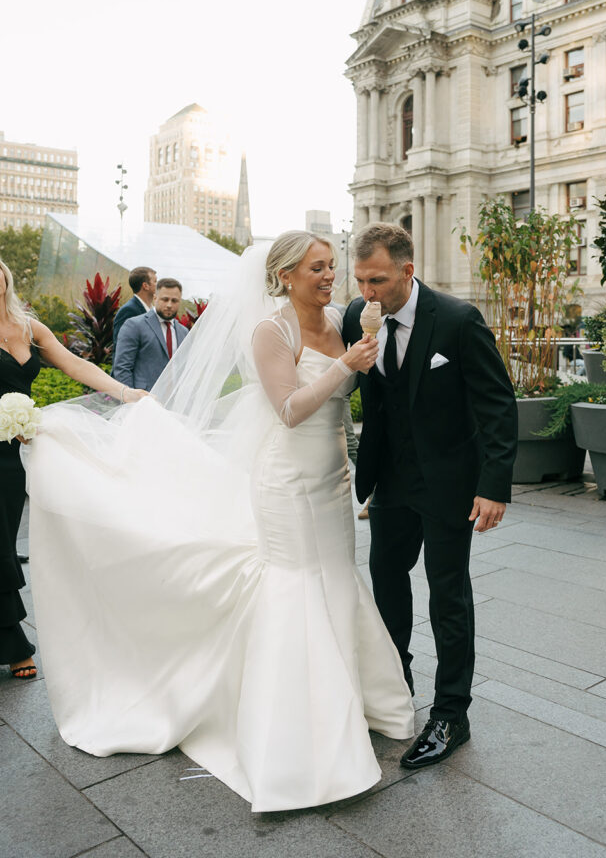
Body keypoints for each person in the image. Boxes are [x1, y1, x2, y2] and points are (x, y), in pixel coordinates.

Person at [22, 233, 414, 812]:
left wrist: (365, 346)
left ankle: (348, 697)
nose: (331, 277)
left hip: (333, 478)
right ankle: (293, 728)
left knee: (335, 577)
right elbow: (287, 409)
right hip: (285, 481)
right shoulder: (270, 332)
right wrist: (346, 366)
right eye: (317, 268)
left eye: (332, 267)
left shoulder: (341, 318)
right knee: (295, 583)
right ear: (284, 277)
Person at [342, 223, 517, 770]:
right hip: (390, 483)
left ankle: (451, 714)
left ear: (407, 271)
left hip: (448, 483)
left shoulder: (459, 321)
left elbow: (497, 406)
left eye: (378, 280)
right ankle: (396, 691)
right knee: (386, 586)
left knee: (448, 596)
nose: (368, 292)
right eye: (361, 280)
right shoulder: (355, 318)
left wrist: (493, 486)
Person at [0, 258, 145, 682]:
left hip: (12, 455)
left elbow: (74, 365)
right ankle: (14, 644)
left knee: (6, 540)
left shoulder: (29, 328)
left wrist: (124, 392)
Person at [112, 278, 188, 391]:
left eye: (174, 301)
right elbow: (122, 368)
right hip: (143, 401)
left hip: (175, 401)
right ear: (155, 298)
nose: (169, 305)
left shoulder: (184, 332)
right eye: (165, 299)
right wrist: (132, 400)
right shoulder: (134, 325)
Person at [112, 266, 157, 353]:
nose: (158, 285)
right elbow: (121, 348)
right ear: (145, 286)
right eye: (155, 281)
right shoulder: (128, 311)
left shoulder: (153, 310)